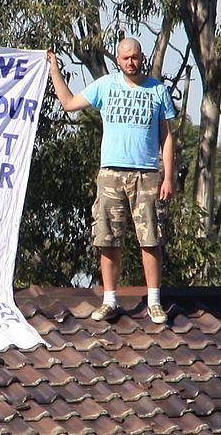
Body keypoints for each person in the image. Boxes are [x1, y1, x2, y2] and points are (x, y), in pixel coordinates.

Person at [47, 38, 175, 324]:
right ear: (118, 59)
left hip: (146, 174)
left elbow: (167, 136)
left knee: (151, 238)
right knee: (108, 238)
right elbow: (68, 104)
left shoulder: (158, 90)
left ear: (142, 57)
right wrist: (54, 68)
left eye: (136, 57)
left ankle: (154, 301)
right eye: (126, 57)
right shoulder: (105, 85)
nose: (131, 62)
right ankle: (110, 300)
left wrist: (168, 176)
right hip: (110, 174)